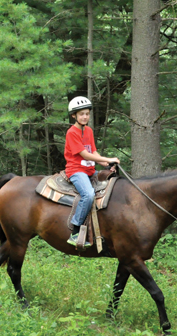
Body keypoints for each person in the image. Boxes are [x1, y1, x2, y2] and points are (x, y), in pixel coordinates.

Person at [64, 96, 119, 247]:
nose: (85, 117)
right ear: (74, 115)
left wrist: (107, 163)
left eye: (87, 114)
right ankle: (75, 230)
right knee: (88, 194)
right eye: (81, 114)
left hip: (89, 170)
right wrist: (107, 158)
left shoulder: (88, 130)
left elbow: (93, 152)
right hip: (76, 170)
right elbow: (84, 154)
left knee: (111, 182)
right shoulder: (72, 133)